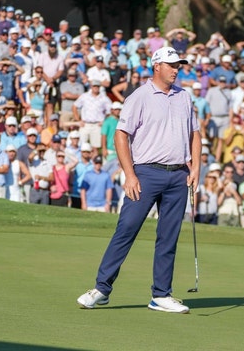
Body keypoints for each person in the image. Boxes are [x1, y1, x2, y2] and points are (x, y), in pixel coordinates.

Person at [77, 47, 200, 314]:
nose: (176, 69)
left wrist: (196, 168)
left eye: (178, 65)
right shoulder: (139, 97)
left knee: (168, 236)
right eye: (171, 65)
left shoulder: (184, 97)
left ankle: (161, 295)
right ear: (157, 66)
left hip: (178, 174)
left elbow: (195, 134)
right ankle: (102, 288)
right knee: (127, 229)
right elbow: (121, 135)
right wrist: (130, 174)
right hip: (145, 173)